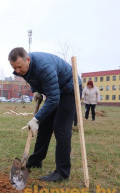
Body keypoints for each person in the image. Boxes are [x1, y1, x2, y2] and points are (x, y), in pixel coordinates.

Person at [8, 47, 81, 182]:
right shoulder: (25, 67)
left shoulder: (44, 67)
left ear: (27, 60)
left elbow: (54, 99)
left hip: (69, 88)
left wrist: (35, 119)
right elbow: (34, 78)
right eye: (14, 67)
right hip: (56, 89)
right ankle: (36, 160)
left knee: (61, 128)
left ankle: (62, 172)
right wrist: (36, 90)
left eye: (19, 67)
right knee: (45, 125)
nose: (17, 71)